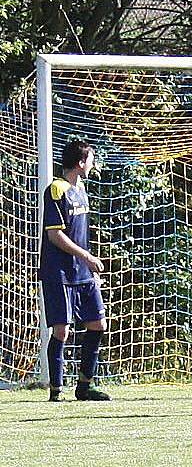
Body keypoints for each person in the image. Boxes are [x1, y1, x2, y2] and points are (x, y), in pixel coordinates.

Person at [39, 139, 110, 402]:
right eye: (91, 159)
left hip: (83, 272)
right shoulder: (57, 190)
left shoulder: (82, 191)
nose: (93, 164)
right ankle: (56, 391)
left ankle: (84, 386)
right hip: (59, 271)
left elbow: (81, 236)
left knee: (97, 324)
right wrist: (86, 256)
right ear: (81, 163)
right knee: (62, 331)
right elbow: (55, 235)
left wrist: (89, 266)